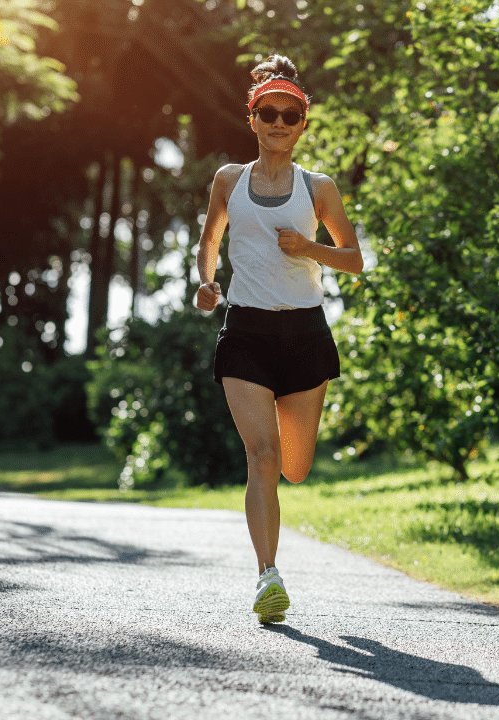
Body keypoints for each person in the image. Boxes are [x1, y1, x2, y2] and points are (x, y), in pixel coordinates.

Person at [194, 55, 363, 624]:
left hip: (304, 333)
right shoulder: (228, 180)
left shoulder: (319, 188)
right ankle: (268, 577)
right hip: (246, 330)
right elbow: (210, 240)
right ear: (253, 118)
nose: (279, 122)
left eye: (290, 115)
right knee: (261, 456)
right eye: (268, 112)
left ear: (302, 124)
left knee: (295, 465)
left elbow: (355, 260)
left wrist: (310, 248)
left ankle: (270, 560)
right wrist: (206, 283)